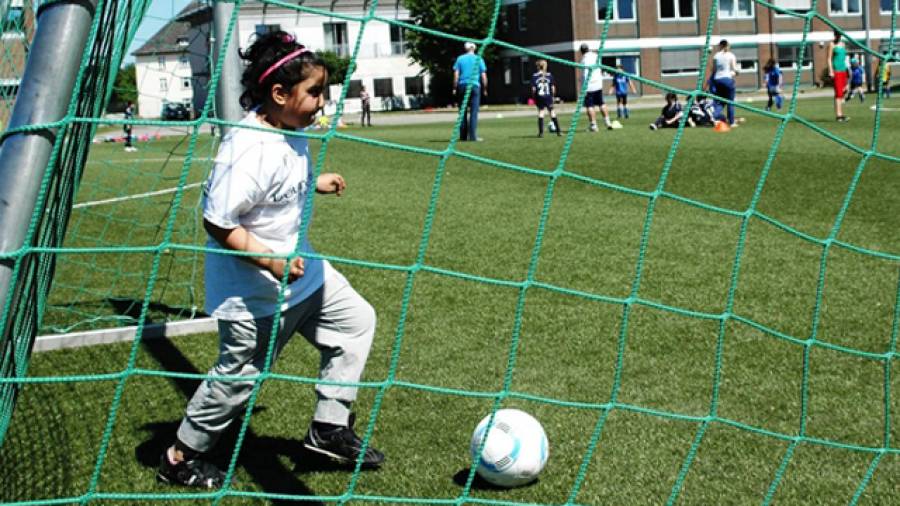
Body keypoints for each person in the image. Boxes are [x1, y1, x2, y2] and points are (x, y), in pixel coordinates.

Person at [156, 31, 384, 490]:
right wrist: (270, 262)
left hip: (306, 274)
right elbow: (217, 221)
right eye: (314, 92)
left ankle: (328, 427)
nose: (322, 101)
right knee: (238, 380)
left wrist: (315, 182)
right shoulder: (246, 148)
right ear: (278, 94)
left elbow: (277, 184)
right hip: (255, 292)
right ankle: (180, 456)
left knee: (356, 320)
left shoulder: (288, 128)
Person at [453, 41, 487, 141]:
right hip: (474, 86)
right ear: (474, 48)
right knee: (474, 112)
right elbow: (484, 76)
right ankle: (473, 136)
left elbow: (456, 75)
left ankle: (463, 136)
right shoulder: (478, 58)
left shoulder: (460, 58)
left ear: (465, 48)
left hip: (462, 86)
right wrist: (485, 89)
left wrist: (454, 88)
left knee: (462, 112)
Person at [577, 43, 613, 131]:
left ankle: (593, 125)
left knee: (590, 106)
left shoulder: (584, 60)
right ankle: (607, 122)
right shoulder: (596, 56)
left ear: (581, 52)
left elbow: (585, 74)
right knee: (601, 103)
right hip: (598, 84)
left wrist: (583, 87)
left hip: (589, 86)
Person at [709, 39, 738, 126]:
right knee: (730, 101)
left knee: (721, 101)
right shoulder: (731, 55)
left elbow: (714, 70)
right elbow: (734, 69)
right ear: (727, 46)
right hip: (727, 80)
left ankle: (713, 117)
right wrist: (738, 72)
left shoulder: (716, 56)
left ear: (720, 46)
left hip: (717, 80)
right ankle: (732, 122)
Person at [530, 59, 561, 137]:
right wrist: (552, 96)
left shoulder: (534, 76)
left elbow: (533, 89)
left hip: (539, 97)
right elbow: (553, 89)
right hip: (548, 96)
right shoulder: (549, 76)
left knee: (541, 113)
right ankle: (558, 131)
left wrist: (534, 97)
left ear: (537, 67)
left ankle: (541, 133)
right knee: (552, 113)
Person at [827, 29, 850, 122]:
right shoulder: (831, 44)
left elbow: (844, 58)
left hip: (843, 70)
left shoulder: (843, 44)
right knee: (838, 93)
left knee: (845, 90)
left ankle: (840, 112)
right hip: (836, 71)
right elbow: (829, 59)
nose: (837, 36)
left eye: (839, 35)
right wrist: (831, 71)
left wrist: (847, 69)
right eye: (836, 35)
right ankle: (839, 115)